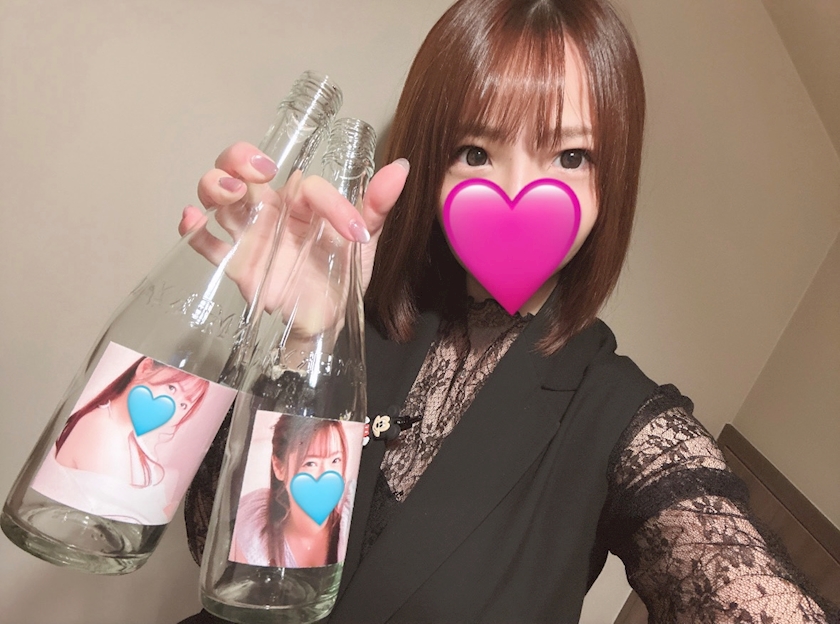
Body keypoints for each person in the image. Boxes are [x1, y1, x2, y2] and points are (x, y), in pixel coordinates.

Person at [180, 0, 839, 621]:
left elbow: (735, 578)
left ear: (612, 179)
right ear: (432, 159)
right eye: (475, 152)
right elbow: (224, 559)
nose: (518, 192)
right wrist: (307, 342)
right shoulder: (353, 317)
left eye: (571, 156)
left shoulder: (620, 419)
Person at [33, 355, 209, 524]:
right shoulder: (101, 428)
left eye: (184, 405)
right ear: (145, 368)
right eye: (171, 388)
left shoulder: (131, 438)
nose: (171, 407)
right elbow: (113, 513)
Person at [230, 416, 351, 568]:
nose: (326, 476)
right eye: (310, 463)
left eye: (335, 460)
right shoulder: (252, 527)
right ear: (279, 467)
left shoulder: (349, 522)